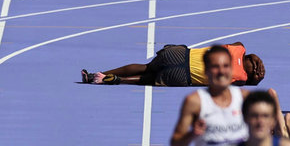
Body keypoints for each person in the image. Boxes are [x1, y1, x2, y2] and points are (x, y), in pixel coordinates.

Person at [82, 42, 265, 87]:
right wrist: (255, 75)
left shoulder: (238, 49)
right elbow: (250, 82)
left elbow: (247, 51)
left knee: (145, 67)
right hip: (185, 76)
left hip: (179, 55)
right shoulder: (238, 78)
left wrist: (254, 60)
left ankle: (96, 73)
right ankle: (119, 80)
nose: (259, 66)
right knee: (147, 79)